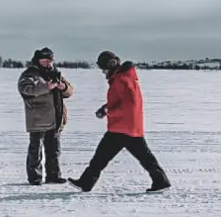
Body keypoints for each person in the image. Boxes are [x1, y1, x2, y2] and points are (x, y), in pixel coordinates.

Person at [71, 51, 171, 192]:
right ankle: (161, 181)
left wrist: (108, 111)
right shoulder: (122, 78)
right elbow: (120, 102)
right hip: (129, 126)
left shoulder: (122, 80)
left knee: (101, 157)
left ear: (110, 65)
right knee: (144, 157)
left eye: (103, 68)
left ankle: (85, 183)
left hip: (122, 127)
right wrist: (106, 107)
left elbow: (129, 106)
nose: (103, 72)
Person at [17, 47, 73, 184]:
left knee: (54, 150)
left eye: (51, 61)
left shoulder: (55, 73)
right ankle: (35, 177)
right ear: (39, 60)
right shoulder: (29, 74)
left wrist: (63, 87)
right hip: (38, 119)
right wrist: (46, 87)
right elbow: (25, 89)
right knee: (36, 150)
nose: (49, 63)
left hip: (56, 118)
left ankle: (53, 175)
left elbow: (70, 91)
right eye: (46, 60)